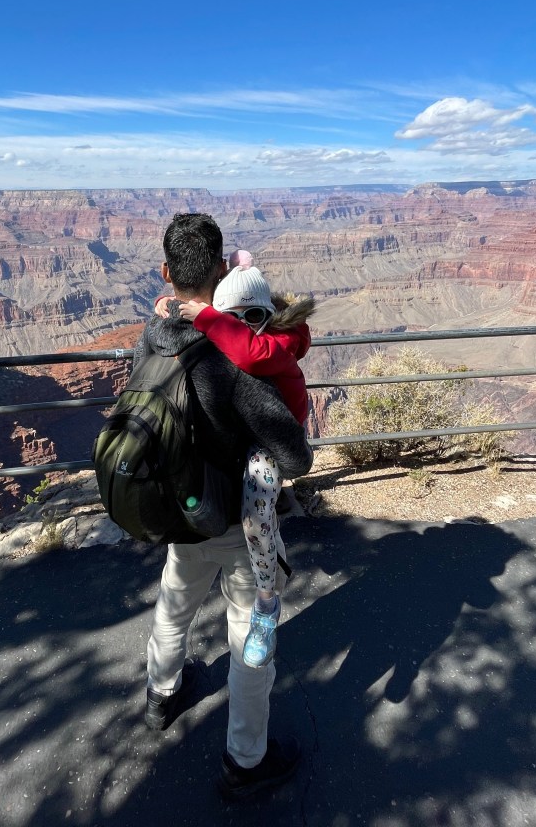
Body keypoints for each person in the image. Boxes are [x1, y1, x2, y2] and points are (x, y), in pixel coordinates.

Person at [140, 213, 313, 800]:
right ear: (219, 272)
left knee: (175, 603)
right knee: (249, 639)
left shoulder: (153, 335)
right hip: (237, 523)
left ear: (166, 274)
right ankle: (245, 761)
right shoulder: (230, 365)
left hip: (178, 511)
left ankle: (161, 696)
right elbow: (295, 457)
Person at [177, 251, 314, 670]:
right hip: (247, 432)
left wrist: (207, 318)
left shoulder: (273, 343)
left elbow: (249, 354)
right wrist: (174, 311)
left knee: (256, 510)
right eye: (233, 318)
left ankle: (267, 606)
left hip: (272, 440)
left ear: (269, 315)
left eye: (254, 316)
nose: (243, 326)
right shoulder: (248, 332)